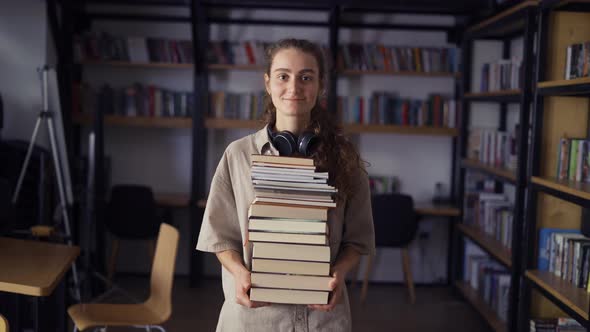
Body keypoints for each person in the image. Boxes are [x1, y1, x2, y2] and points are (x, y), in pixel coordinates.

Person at [196, 38, 375, 332]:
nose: (294, 88)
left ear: (320, 86)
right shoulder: (238, 155)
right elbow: (219, 237)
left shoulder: (344, 158)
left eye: (306, 77)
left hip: (322, 319)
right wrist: (239, 273)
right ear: (267, 83)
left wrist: (339, 273)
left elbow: (357, 239)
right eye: (283, 76)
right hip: (253, 320)